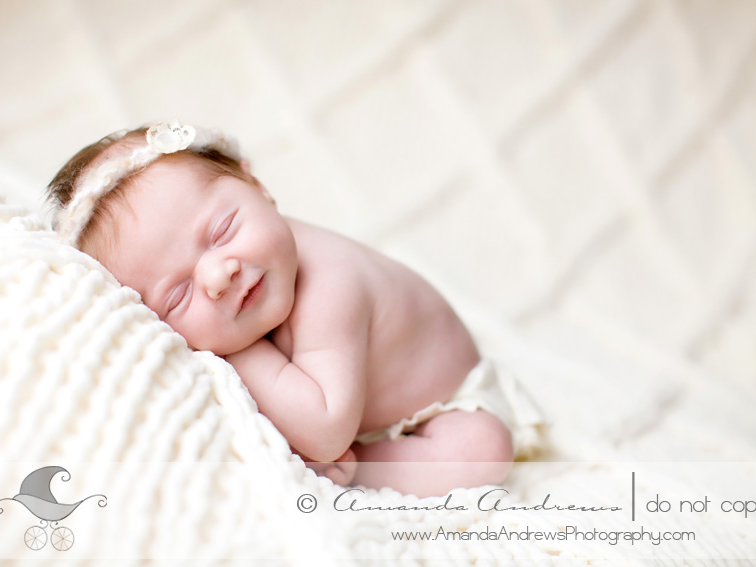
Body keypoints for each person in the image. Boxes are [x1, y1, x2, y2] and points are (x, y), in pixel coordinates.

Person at [48, 120, 544, 497]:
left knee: (481, 449)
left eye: (221, 232)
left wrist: (237, 355)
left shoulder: (332, 286)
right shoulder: (256, 266)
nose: (219, 276)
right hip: (349, 400)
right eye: (177, 295)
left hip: (443, 404)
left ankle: (361, 470)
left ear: (257, 187)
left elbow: (326, 430)